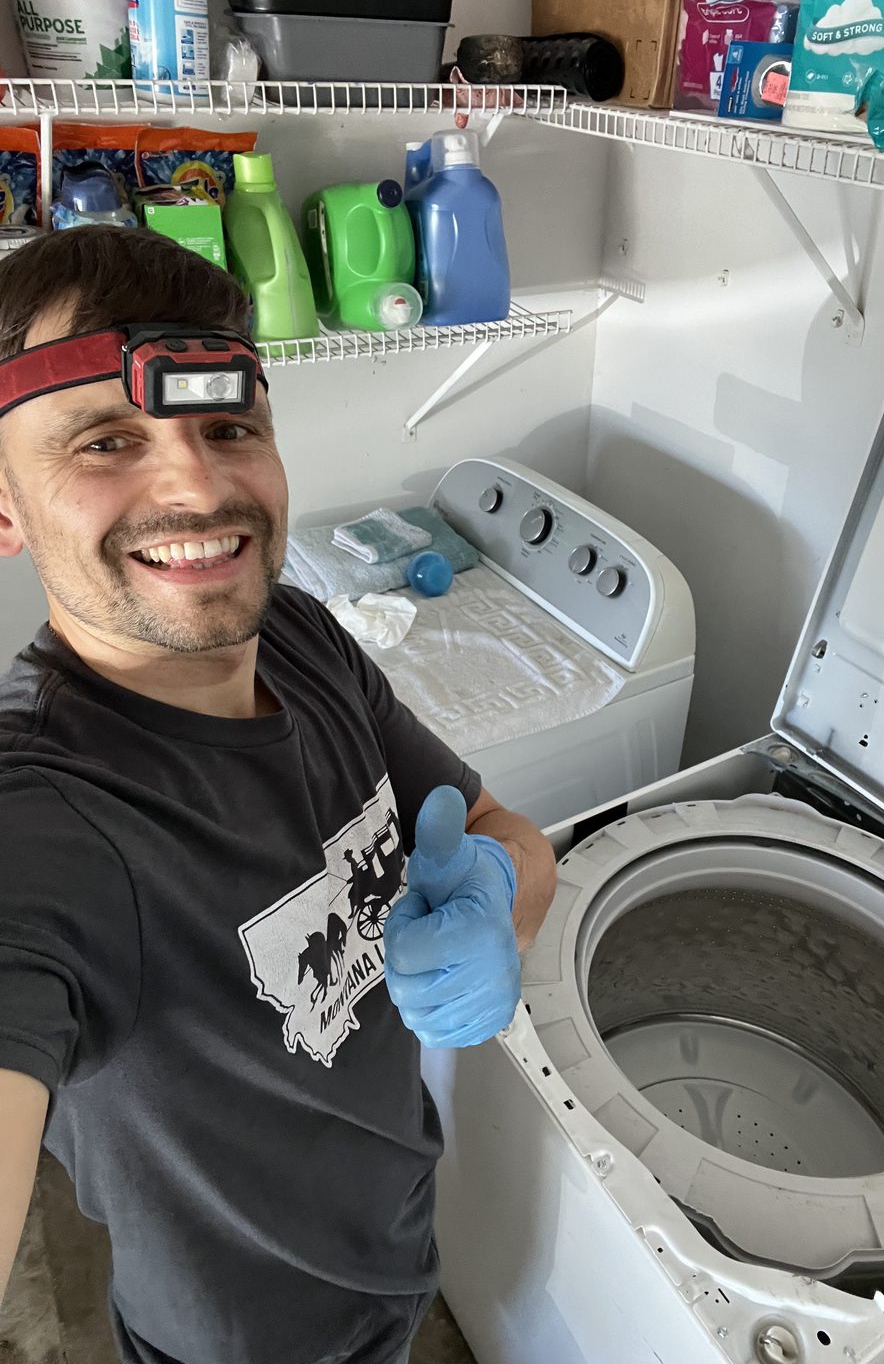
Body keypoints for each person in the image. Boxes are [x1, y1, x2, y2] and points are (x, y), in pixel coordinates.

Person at [0, 225, 557, 1364]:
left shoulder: (299, 636)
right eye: (107, 440)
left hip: (397, 1239)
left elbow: (502, 829)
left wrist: (499, 891)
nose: (197, 484)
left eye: (229, 427)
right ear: (5, 509)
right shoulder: (46, 818)